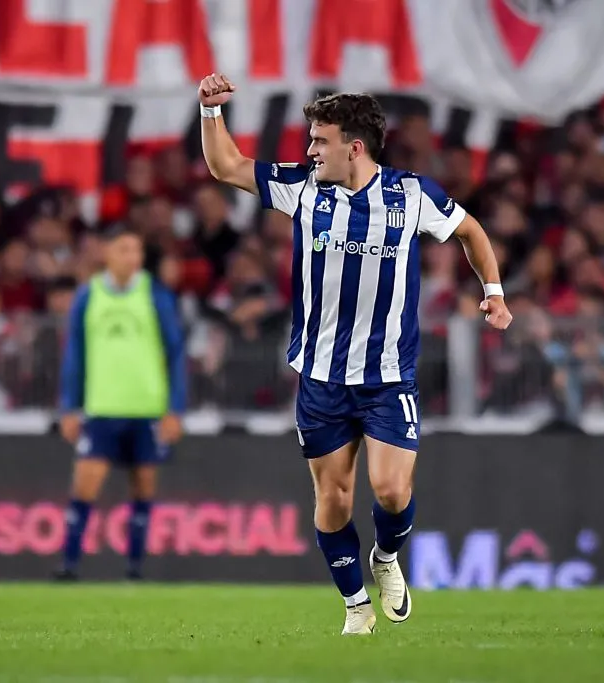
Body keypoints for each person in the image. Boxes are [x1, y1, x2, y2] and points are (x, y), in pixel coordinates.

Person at [198, 75, 512, 634]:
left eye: (319, 141)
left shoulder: (411, 195)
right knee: (334, 499)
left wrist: (493, 293)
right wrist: (210, 112)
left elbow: (471, 232)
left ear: (354, 147)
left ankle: (386, 558)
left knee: (391, 492)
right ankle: (355, 607)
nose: (309, 151)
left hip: (389, 376)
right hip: (321, 377)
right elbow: (227, 166)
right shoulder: (302, 187)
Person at [55, 227, 187, 581]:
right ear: (107, 253)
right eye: (125, 249)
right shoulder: (89, 295)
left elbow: (175, 353)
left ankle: (134, 568)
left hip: (147, 408)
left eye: (138, 250)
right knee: (85, 485)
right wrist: (69, 406)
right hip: (102, 408)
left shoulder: (155, 294)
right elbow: (75, 354)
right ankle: (68, 565)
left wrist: (175, 409)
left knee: (143, 486)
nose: (134, 257)